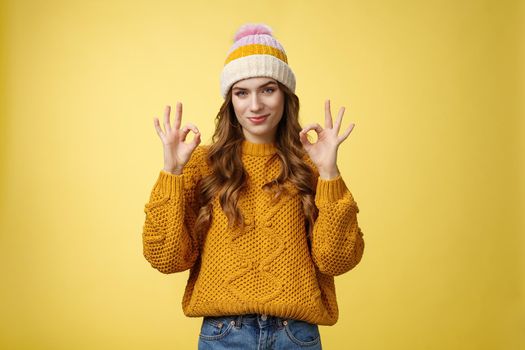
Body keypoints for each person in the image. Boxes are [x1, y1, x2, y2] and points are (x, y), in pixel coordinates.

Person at [142, 23, 365, 350]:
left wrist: (329, 172)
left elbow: (337, 260)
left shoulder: (313, 163)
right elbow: (166, 259)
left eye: (268, 89)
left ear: (285, 95)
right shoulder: (201, 163)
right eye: (241, 92)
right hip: (223, 335)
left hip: (297, 336)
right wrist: (171, 171)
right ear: (229, 100)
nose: (255, 105)